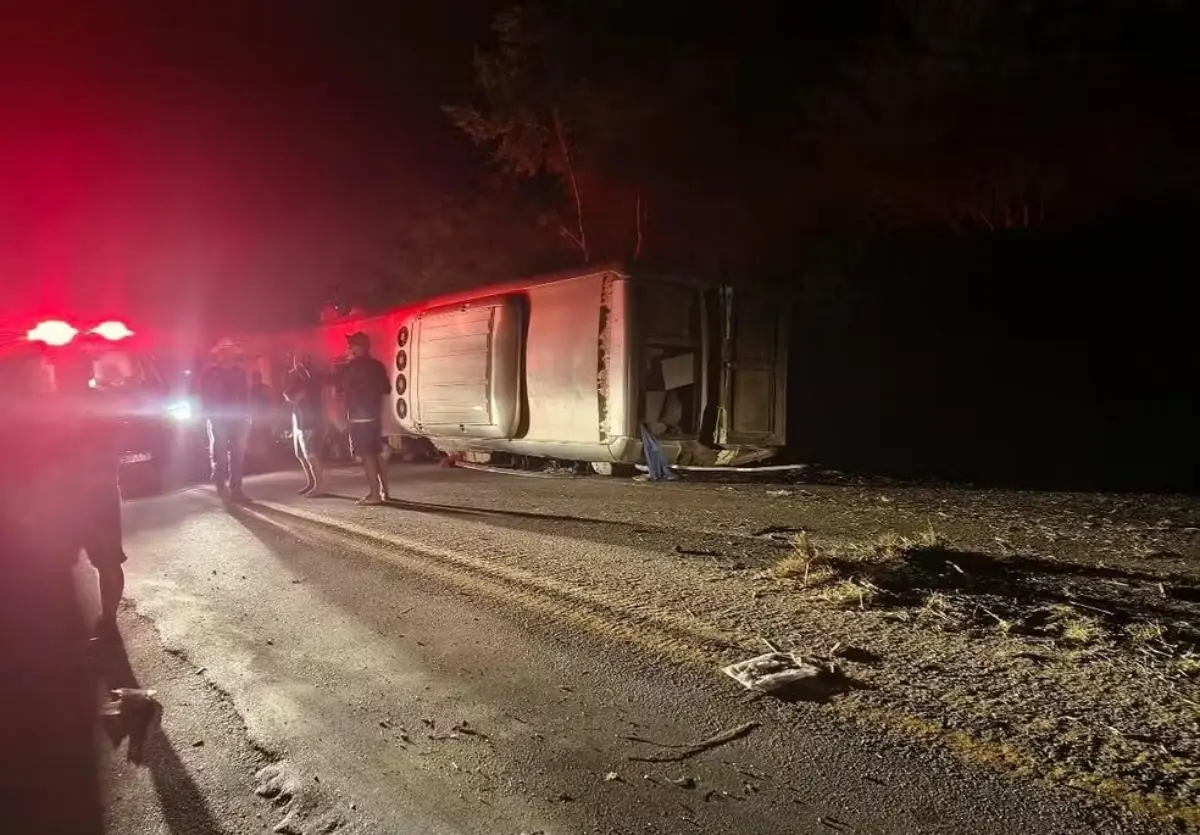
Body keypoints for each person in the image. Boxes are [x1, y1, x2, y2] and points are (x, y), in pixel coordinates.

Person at [336, 331, 391, 504]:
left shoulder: (350, 367)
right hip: (374, 414)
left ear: (356, 348)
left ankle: (374, 494)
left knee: (367, 455)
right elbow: (387, 388)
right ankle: (384, 492)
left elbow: (340, 386)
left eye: (350, 346)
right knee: (377, 453)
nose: (347, 349)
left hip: (358, 416)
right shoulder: (377, 365)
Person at [197, 338, 252, 502]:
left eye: (230, 351)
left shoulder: (239, 372)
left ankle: (236, 488)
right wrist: (208, 413)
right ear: (219, 354)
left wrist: (246, 414)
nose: (227, 354)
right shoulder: (209, 373)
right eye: (224, 351)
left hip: (237, 417)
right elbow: (203, 394)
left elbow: (245, 395)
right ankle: (220, 483)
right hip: (218, 417)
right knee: (220, 452)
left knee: (237, 454)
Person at [283, 352, 328, 496]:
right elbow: (289, 395)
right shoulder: (295, 376)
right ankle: (311, 482)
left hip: (309, 420)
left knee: (310, 454)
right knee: (300, 454)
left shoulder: (310, 376)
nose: (298, 362)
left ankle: (320, 485)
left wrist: (290, 394)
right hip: (299, 418)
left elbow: (294, 396)